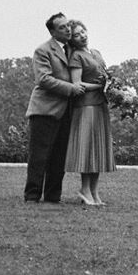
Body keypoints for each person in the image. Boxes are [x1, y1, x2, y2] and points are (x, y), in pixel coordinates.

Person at [23, 13, 85, 203]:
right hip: (44, 110)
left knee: (59, 157)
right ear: (52, 32)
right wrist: (71, 88)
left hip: (66, 111)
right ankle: (32, 196)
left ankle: (52, 197)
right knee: (39, 156)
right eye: (62, 28)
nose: (67, 29)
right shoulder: (43, 51)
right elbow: (43, 79)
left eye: (68, 26)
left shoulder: (72, 50)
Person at [64, 20, 116, 205]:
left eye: (83, 31)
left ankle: (94, 191)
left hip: (100, 105)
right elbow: (77, 83)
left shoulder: (96, 53)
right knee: (87, 148)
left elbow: (106, 75)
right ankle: (84, 190)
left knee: (98, 149)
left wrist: (112, 87)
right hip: (86, 106)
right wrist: (99, 87)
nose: (82, 35)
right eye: (77, 34)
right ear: (72, 40)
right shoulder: (76, 57)